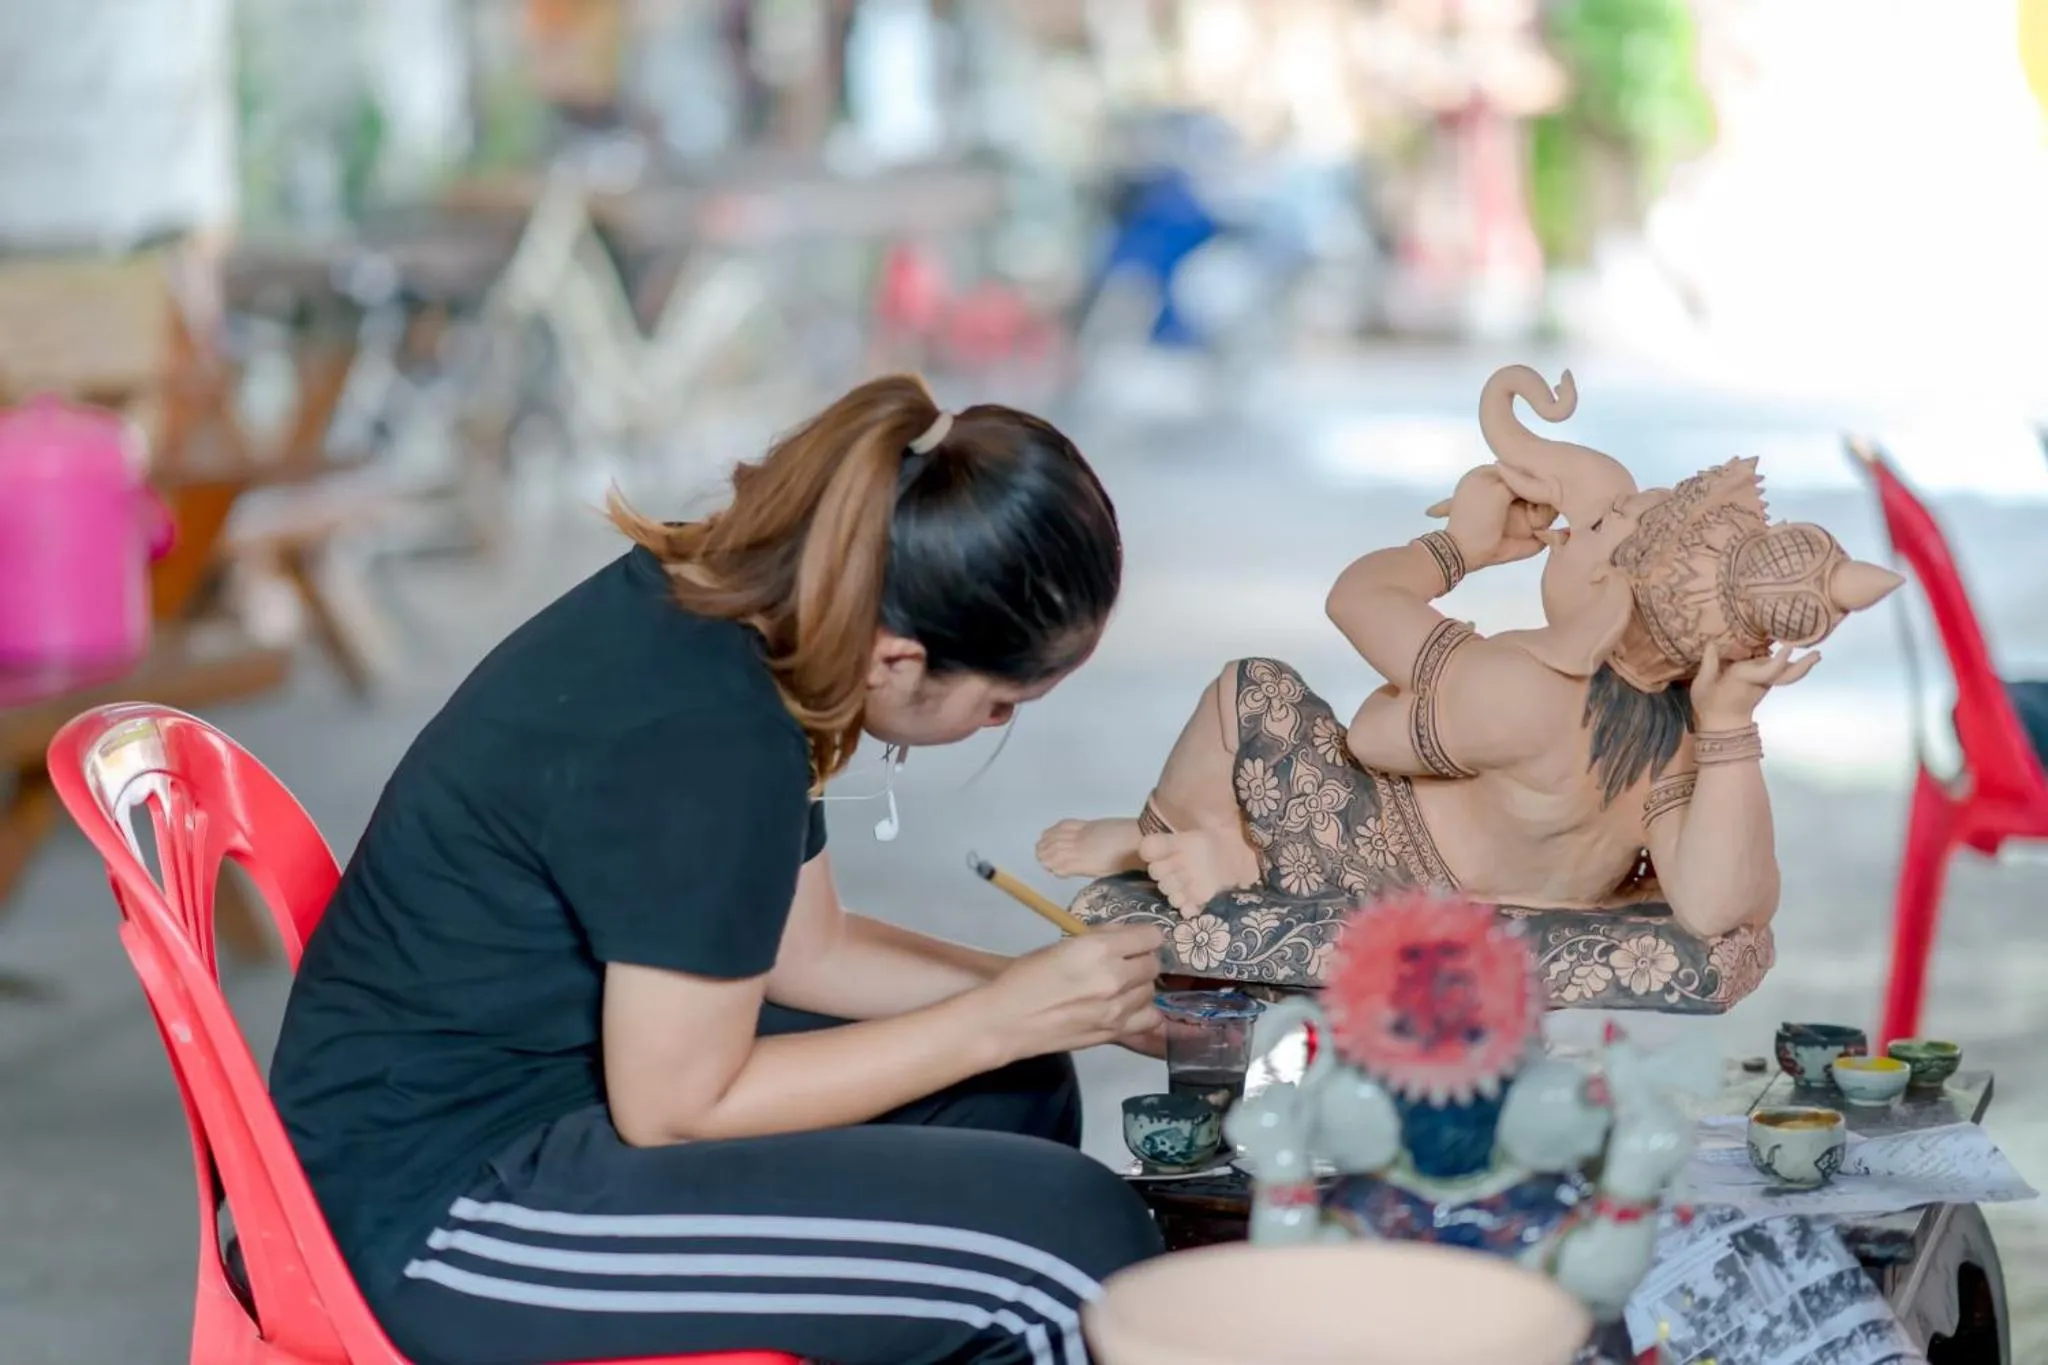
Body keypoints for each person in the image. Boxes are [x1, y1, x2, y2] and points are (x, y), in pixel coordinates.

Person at [269, 375, 1168, 1365]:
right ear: (898, 660)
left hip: (540, 1094)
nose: (996, 727)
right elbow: (678, 1109)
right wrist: (1000, 1014)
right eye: (1000, 703)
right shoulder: (705, 737)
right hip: (437, 1210)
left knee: (1013, 1086)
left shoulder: (752, 620)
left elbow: (805, 951)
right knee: (1074, 1257)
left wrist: (1052, 1004)